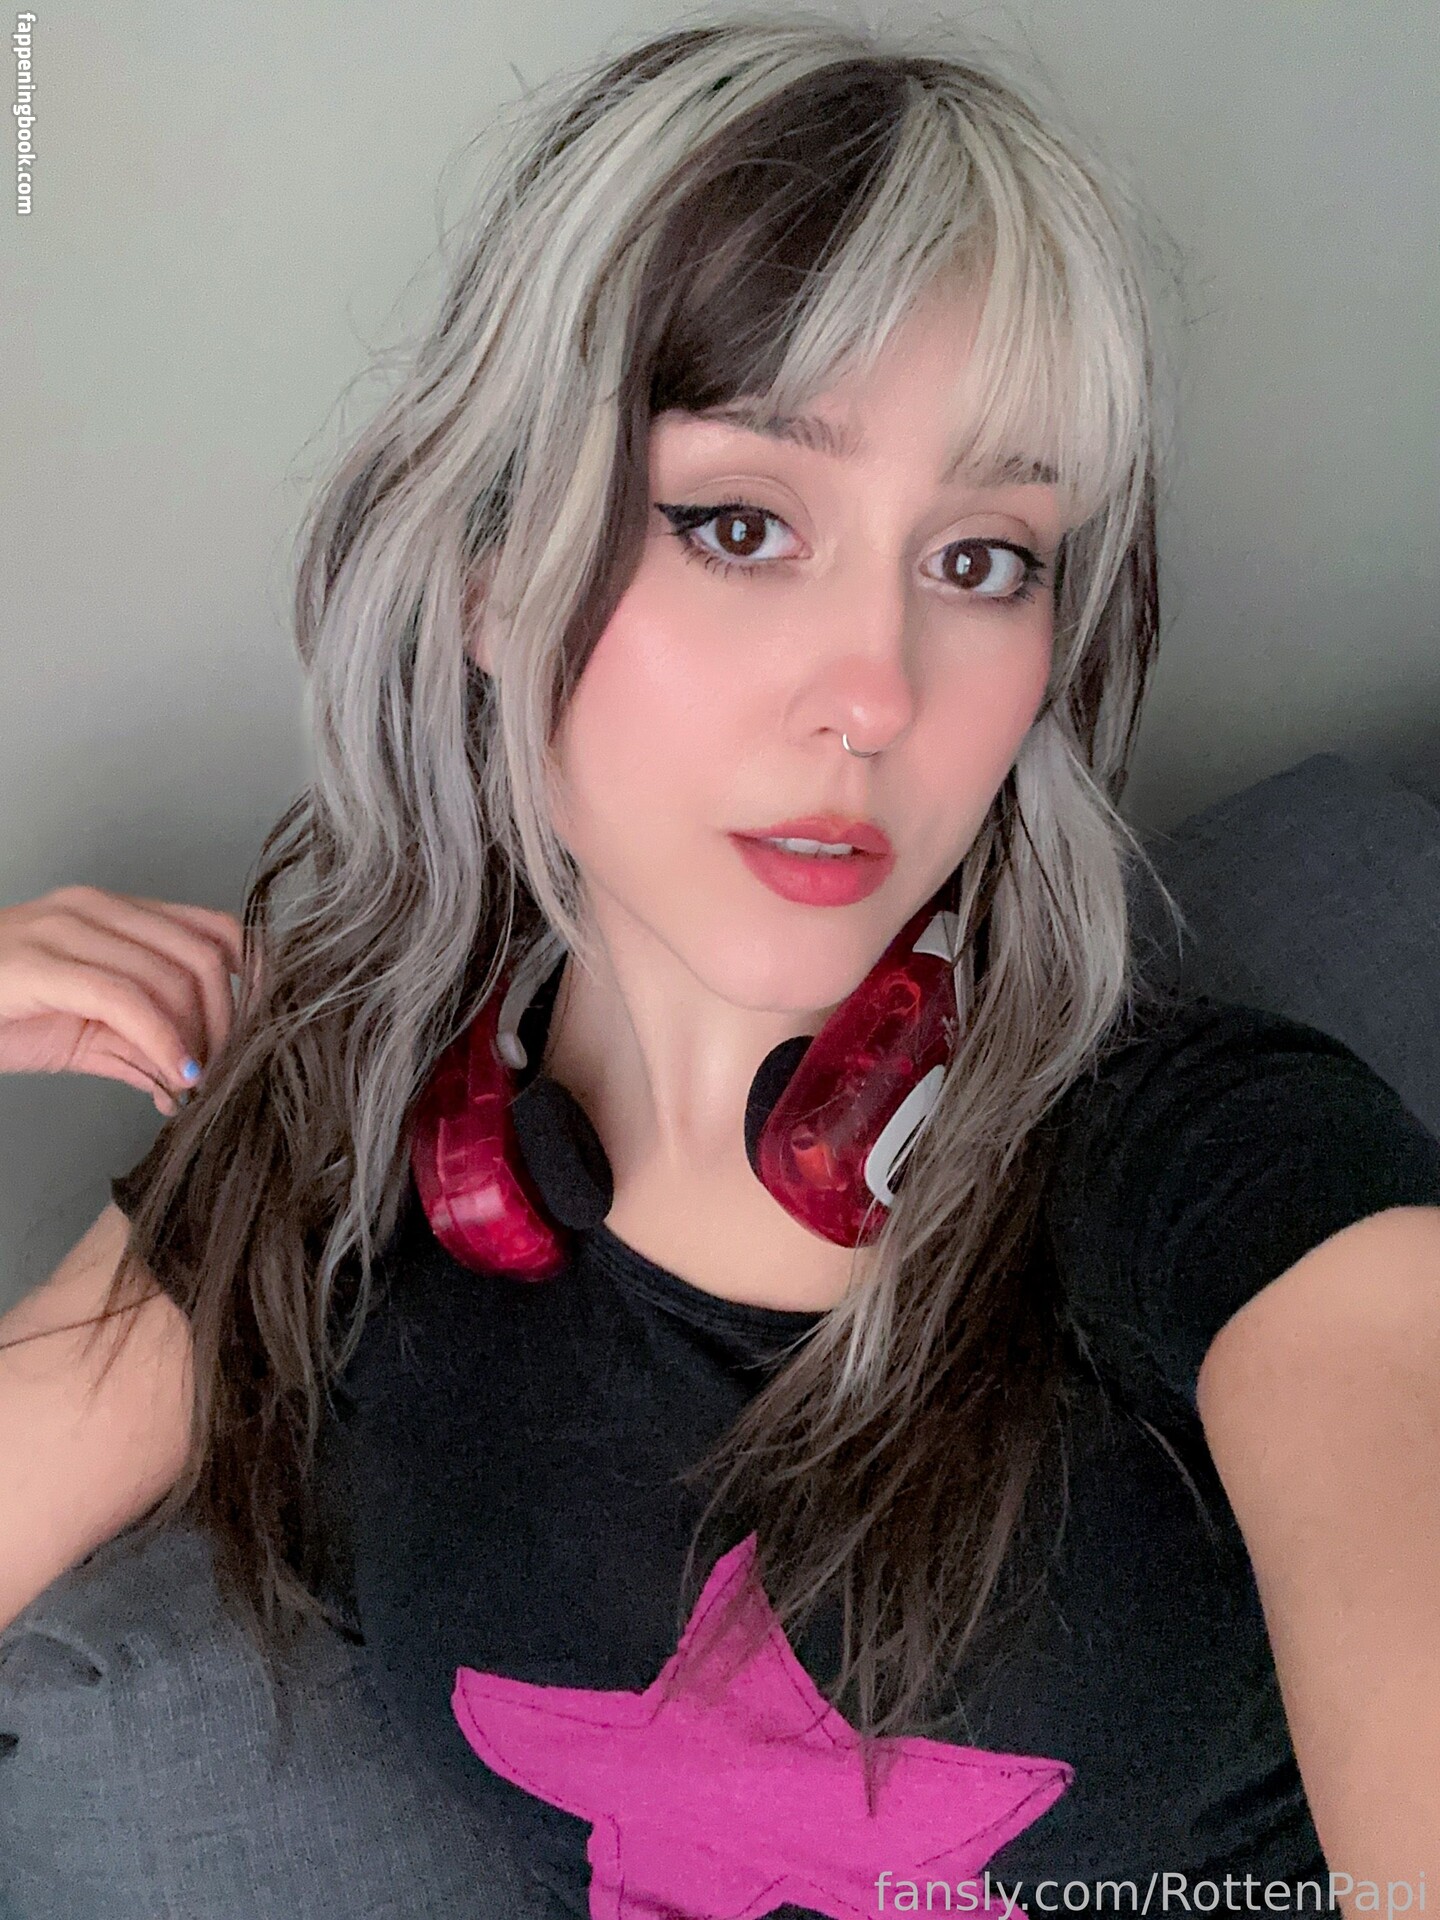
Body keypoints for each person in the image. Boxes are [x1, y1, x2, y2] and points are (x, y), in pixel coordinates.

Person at [3, 17, 1439, 1917]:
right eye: (741, 522)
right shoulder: (324, 1138)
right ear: (490, 574)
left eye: (984, 559)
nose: (876, 692)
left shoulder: (1227, 1170)